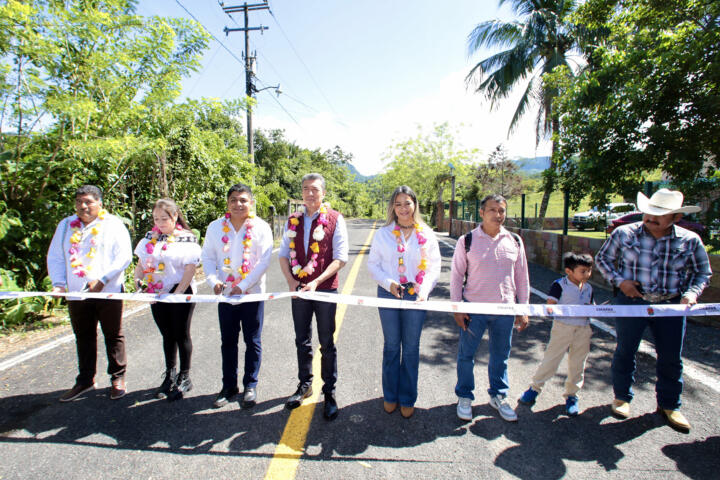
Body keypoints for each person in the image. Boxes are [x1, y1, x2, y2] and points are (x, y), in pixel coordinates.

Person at [595, 188, 711, 433]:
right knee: (626, 350)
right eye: (649, 212)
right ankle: (622, 397)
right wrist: (619, 282)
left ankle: (670, 405)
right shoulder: (623, 233)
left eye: (660, 214)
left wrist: (691, 294)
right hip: (632, 304)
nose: (650, 218)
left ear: (676, 218)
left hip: (670, 305)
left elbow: (702, 272)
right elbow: (603, 259)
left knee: (671, 356)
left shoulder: (690, 241)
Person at [47, 185, 132, 401]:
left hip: (109, 291)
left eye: (88, 202)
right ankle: (85, 380)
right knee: (83, 336)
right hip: (77, 292)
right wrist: (58, 283)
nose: (83, 206)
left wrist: (103, 280)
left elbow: (124, 257)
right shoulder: (66, 226)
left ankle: (118, 377)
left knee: (113, 335)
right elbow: (56, 256)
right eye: (79, 202)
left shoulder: (113, 225)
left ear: (100, 204)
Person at [450, 194, 530, 422]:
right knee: (466, 355)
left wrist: (523, 309)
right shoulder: (467, 241)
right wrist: (457, 308)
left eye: (502, 210)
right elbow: (456, 276)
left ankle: (498, 396)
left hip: (505, 311)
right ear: (482, 213)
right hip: (474, 309)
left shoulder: (514, 240)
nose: (498, 215)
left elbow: (522, 277)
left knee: (500, 356)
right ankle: (465, 396)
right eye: (493, 210)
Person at [278, 173, 349, 421]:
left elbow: (341, 257)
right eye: (306, 189)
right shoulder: (293, 220)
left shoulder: (335, 219)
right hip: (299, 289)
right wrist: (291, 282)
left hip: (325, 289)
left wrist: (316, 282)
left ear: (323, 193)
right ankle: (304, 384)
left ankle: (329, 392)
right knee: (302, 339)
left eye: (315, 189)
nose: (310, 193)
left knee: (327, 342)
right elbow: (284, 255)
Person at [367, 186, 441, 418]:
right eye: (398, 204)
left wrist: (423, 292)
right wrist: (388, 283)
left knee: (410, 348)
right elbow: (373, 265)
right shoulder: (384, 234)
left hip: (416, 296)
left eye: (407, 203)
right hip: (389, 292)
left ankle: (407, 397)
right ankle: (390, 395)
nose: (403, 208)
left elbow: (433, 267)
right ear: (392, 207)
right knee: (391, 346)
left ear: (415, 205)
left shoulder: (427, 234)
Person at [202, 183, 273, 409]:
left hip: (251, 294)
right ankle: (229, 386)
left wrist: (242, 285)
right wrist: (213, 281)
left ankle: (250, 385)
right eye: (233, 200)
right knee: (228, 341)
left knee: (252, 341)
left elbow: (264, 261)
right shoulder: (215, 228)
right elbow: (208, 258)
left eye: (243, 200)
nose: (238, 204)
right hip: (225, 295)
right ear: (227, 203)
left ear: (251, 203)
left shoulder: (261, 227)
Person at [133, 198, 201, 401]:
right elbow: (141, 265)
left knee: (181, 334)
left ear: (174, 216)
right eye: (156, 219)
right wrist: (139, 282)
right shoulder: (149, 238)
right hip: (157, 292)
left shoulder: (186, 238)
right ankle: (170, 373)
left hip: (180, 291)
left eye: (164, 218)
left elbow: (190, 269)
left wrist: (178, 293)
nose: (160, 223)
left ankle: (185, 376)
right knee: (167, 335)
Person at [518, 252, 595, 416]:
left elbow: (592, 306)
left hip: (583, 329)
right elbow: (550, 305)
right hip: (563, 327)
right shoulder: (560, 285)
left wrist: (592, 309)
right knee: (551, 360)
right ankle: (534, 388)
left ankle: (572, 395)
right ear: (569, 271)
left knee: (578, 363)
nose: (587, 274)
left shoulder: (588, 288)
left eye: (589, 271)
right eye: (583, 271)